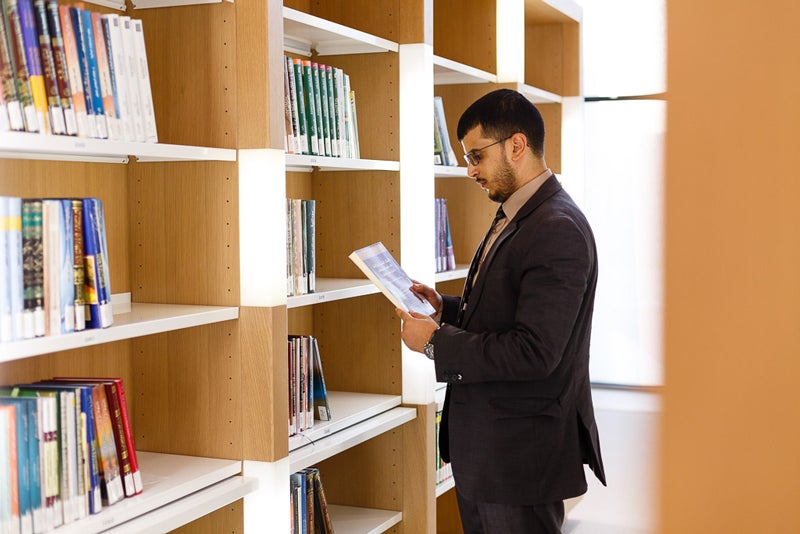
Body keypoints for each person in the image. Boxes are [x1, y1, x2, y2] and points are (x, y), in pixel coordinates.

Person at [396, 88, 606, 533]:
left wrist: (435, 343)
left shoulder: (557, 228)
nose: (469, 170)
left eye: (476, 156)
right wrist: (446, 309)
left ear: (516, 145)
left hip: (519, 460)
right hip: (492, 454)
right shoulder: (518, 213)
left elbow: (535, 351)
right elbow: (508, 310)